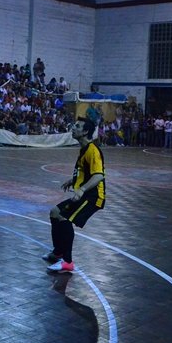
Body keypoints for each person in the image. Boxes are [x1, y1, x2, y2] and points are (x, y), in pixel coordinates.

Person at [42, 117, 105, 273]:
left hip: (93, 196)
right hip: (85, 193)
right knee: (55, 212)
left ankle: (68, 262)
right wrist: (73, 180)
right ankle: (58, 252)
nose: (73, 128)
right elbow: (87, 172)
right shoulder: (83, 149)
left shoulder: (92, 150)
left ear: (85, 132)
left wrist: (82, 189)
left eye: (77, 126)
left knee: (64, 217)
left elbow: (98, 175)